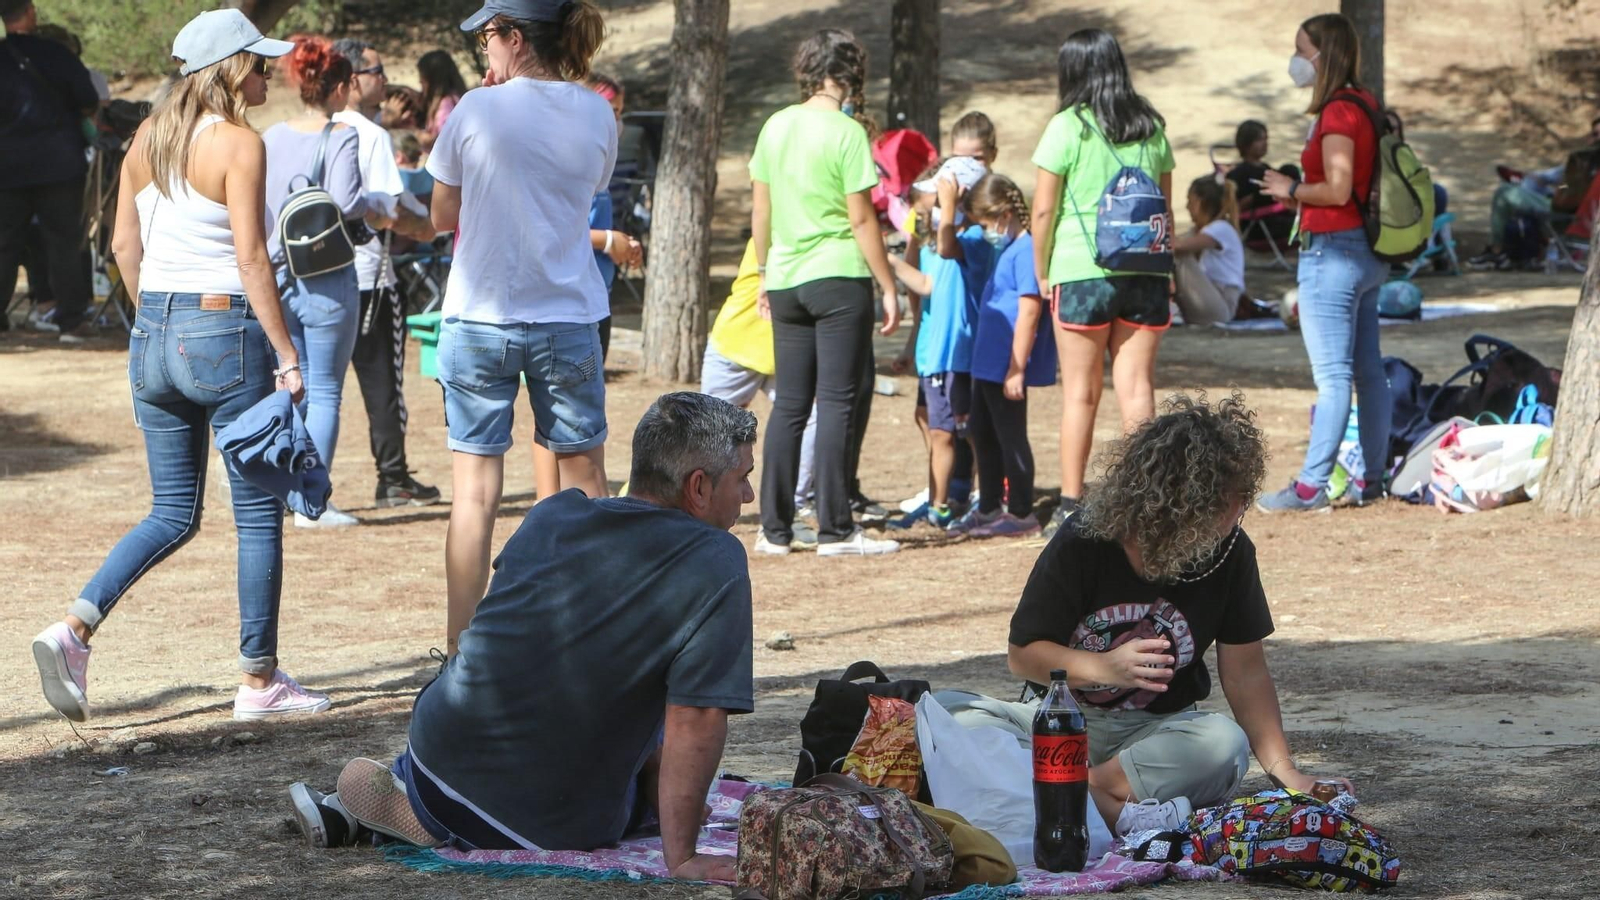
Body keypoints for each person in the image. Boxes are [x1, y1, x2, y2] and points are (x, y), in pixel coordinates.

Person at [288, 392, 755, 886]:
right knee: (643, 733)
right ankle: (445, 811)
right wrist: (681, 857)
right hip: (548, 822)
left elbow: (519, 646)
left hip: (435, 755)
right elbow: (696, 717)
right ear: (698, 487)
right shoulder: (715, 560)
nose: (747, 495)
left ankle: (395, 798)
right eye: (743, 477)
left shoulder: (554, 514)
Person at [30, 9, 330, 722]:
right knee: (258, 515)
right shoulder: (239, 144)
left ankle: (73, 629)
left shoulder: (147, 140)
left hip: (155, 330)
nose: (266, 74)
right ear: (231, 69)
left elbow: (122, 249)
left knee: (170, 512)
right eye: (258, 64)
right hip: (223, 326)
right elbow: (253, 258)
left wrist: (158, 325)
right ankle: (259, 683)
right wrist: (287, 354)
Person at [1008, 393, 1353, 837]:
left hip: (1153, 737)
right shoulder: (1084, 540)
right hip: (1064, 726)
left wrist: (1287, 773)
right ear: (1185, 504)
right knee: (955, 717)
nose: (1240, 512)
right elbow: (1023, 655)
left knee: (1224, 745)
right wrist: (1103, 667)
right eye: (1234, 501)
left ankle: (1073, 797)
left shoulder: (1231, 553)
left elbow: (1246, 673)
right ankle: (1113, 813)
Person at [427, 0, 613, 655]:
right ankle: (594, 641)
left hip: (479, 318)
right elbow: (583, 192)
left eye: (487, 38)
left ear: (513, 37)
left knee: (475, 496)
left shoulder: (476, 109)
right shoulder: (596, 108)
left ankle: (459, 650)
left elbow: (443, 212)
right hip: (566, 315)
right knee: (586, 483)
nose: (484, 51)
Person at [751, 27, 902, 558]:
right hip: (838, 277)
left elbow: (761, 209)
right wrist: (889, 286)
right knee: (836, 404)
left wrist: (766, 272)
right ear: (849, 74)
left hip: (787, 278)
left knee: (790, 404)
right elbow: (862, 219)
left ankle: (775, 530)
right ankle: (836, 530)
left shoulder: (776, 126)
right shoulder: (845, 131)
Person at [1030, 28, 1175, 540]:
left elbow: (1044, 207)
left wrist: (1042, 267)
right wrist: (1169, 269)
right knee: (1138, 389)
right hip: (1148, 270)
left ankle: (1071, 504)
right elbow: (1166, 206)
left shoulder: (1069, 126)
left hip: (1081, 269)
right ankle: (1147, 499)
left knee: (1081, 395)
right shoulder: (1151, 126)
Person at [1256, 13, 1390, 512]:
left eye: (1301, 51)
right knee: (1368, 373)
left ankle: (1311, 486)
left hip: (1332, 253)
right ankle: (1372, 478)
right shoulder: (1367, 105)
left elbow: (1335, 188)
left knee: (1333, 376)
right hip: (1365, 253)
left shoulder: (1337, 112)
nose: (1296, 61)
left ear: (1322, 55)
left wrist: (1289, 188)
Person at [330, 38, 442, 510]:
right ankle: (393, 478)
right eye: (377, 71)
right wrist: (436, 227)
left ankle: (304, 486)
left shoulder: (323, 129)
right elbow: (392, 212)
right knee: (383, 387)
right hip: (371, 279)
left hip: (320, 280)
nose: (385, 79)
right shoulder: (370, 136)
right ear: (353, 79)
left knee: (320, 390)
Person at [263, 35, 369, 528]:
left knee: (292, 385)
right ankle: (310, 502)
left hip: (278, 277)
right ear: (338, 87)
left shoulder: (271, 136)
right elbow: (348, 204)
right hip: (327, 278)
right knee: (326, 390)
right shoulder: (342, 134)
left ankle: (284, 492)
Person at [952, 174, 1053, 539]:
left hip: (1004, 366)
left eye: (984, 223)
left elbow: (1029, 309)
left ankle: (1022, 511)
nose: (985, 231)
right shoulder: (1008, 248)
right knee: (982, 433)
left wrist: (1016, 368)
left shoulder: (1027, 250)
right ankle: (990, 506)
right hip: (987, 365)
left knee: (1010, 436)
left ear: (1004, 213)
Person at [702, 238, 819, 546]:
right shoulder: (774, 229)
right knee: (697, 436)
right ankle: (642, 504)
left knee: (813, 418)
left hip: (782, 350)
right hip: (738, 345)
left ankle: (789, 507)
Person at [888, 161, 985, 531]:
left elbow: (940, 263)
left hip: (955, 354)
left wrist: (892, 262)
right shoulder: (934, 238)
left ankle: (969, 499)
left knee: (959, 432)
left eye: (938, 191)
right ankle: (939, 502)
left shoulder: (968, 238)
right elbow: (927, 292)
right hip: (934, 354)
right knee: (935, 427)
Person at [0, 0, 99, 343]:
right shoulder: (57, 54)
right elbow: (88, 99)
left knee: (5, 244)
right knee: (64, 243)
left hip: (8, 168)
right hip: (58, 164)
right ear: (30, 13)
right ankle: (71, 321)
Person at [1466, 118, 1600, 270]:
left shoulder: (1587, 163)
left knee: (1504, 193)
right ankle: (1513, 249)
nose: (1596, 140)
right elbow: (1555, 180)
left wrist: (1556, 187)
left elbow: (1567, 190)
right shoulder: (1583, 162)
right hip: (1563, 205)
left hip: (1569, 215)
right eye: (1595, 135)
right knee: (1516, 189)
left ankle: (1498, 250)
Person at [584, 71, 642, 361]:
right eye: (609, 110)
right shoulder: (572, 160)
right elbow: (549, 230)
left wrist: (623, 243)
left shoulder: (603, 162)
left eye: (619, 112)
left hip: (599, 297)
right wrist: (608, 241)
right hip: (574, 306)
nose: (615, 121)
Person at [1172, 175, 1244, 327]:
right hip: (1214, 300)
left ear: (1200, 203)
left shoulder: (1220, 228)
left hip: (1221, 306)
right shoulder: (1207, 230)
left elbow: (1178, 246)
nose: (1187, 207)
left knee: (1180, 256)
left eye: (1190, 201)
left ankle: (1171, 309)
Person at [416, 49, 466, 151]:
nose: (420, 81)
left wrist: (425, 138)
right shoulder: (460, 98)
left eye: (422, 78)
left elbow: (447, 140)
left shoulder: (445, 107)